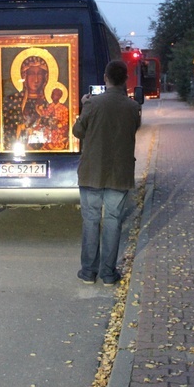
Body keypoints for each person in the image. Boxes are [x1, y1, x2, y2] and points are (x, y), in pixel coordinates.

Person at [73, 60, 141, 286]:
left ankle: (88, 272)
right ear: (125, 80)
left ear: (105, 78)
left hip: (92, 173)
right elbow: (133, 129)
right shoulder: (133, 108)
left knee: (91, 221)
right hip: (119, 175)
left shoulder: (92, 104)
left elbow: (78, 132)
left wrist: (84, 107)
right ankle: (109, 274)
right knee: (113, 221)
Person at [4, 55, 49, 150]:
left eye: (40, 74)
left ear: (45, 77)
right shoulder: (13, 101)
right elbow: (7, 128)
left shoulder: (48, 103)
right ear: (24, 76)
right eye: (32, 74)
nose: (36, 80)